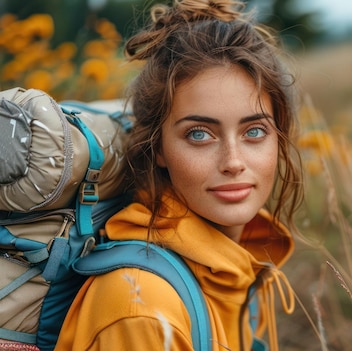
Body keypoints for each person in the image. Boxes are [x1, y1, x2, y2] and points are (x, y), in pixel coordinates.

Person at [55, 0, 303, 350]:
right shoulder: (140, 309)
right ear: (158, 148)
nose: (233, 161)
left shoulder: (241, 262)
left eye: (254, 132)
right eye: (199, 134)